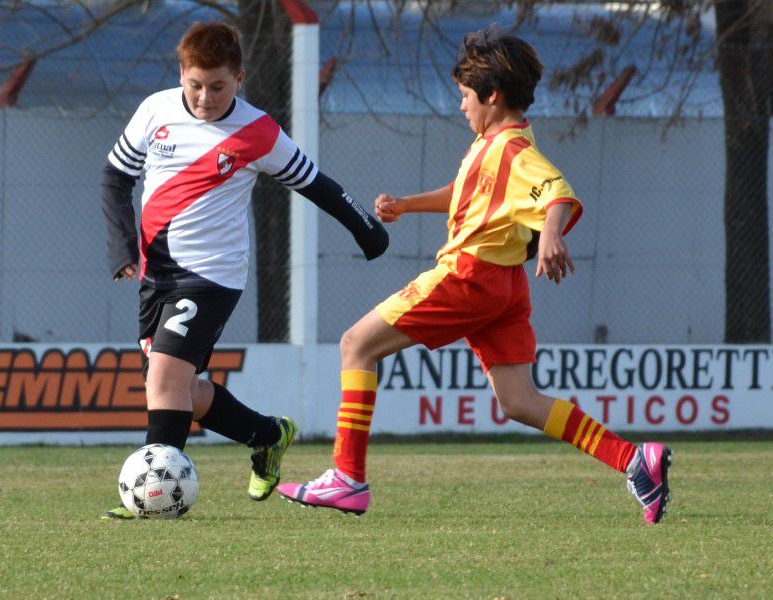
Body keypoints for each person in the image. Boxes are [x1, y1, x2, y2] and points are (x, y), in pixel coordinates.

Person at [278, 29, 671, 524]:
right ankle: (635, 460)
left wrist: (551, 234)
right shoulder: (492, 144)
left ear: (492, 96)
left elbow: (558, 193)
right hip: (504, 288)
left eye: (466, 96)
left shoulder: (512, 150)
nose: (461, 106)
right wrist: (407, 205)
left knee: (357, 344)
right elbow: (466, 192)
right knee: (520, 400)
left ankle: (347, 478)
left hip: (468, 277)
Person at [99, 22, 388, 519]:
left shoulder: (258, 133)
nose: (205, 97)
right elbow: (114, 177)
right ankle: (267, 435)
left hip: (211, 277)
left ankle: (151, 499)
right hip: (154, 276)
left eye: (218, 86)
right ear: (181, 74)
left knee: (165, 381)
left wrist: (369, 231)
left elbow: (316, 184)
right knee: (183, 392)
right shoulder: (155, 111)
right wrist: (122, 247)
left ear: (240, 77)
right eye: (195, 85)